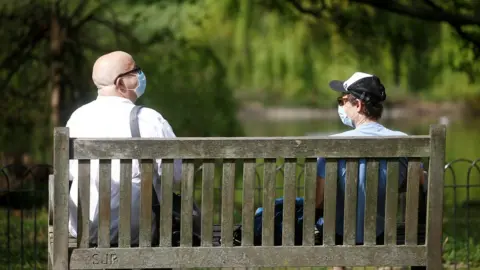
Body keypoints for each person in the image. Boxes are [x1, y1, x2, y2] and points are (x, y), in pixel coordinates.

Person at [67, 51, 182, 246]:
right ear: (120, 83)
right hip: (142, 230)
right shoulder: (150, 119)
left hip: (85, 231)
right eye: (135, 70)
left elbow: (70, 172)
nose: (141, 75)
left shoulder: (77, 118)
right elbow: (177, 174)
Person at [315, 72, 426, 270]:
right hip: (384, 234)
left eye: (343, 101)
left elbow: (318, 200)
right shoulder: (404, 142)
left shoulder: (331, 144)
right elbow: (420, 184)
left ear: (358, 105)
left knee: (334, 224)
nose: (341, 106)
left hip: (340, 237)